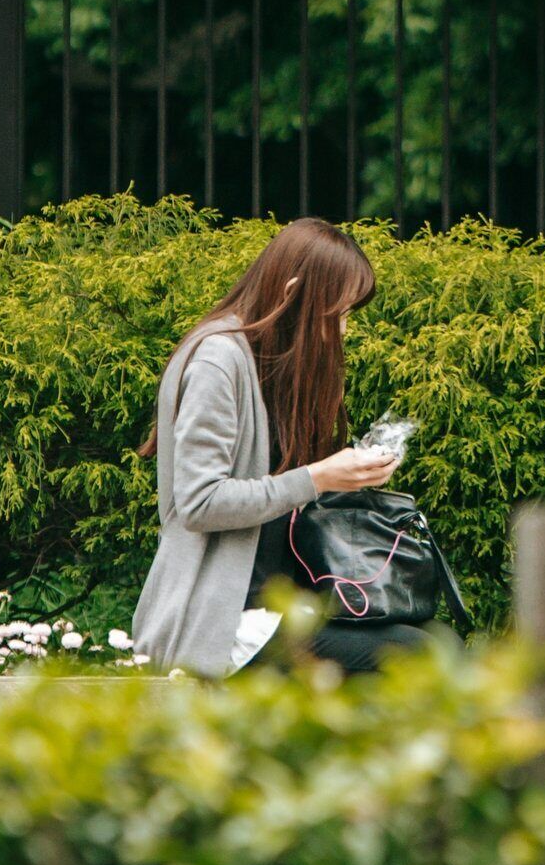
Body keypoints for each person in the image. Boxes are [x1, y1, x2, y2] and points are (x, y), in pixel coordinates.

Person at [127, 218, 418, 677]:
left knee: (430, 641)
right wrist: (318, 477)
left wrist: (349, 475)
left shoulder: (276, 364)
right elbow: (200, 503)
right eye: (338, 312)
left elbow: (284, 497)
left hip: (282, 610)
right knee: (416, 655)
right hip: (225, 626)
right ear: (296, 291)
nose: (344, 328)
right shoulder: (218, 360)